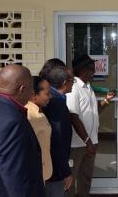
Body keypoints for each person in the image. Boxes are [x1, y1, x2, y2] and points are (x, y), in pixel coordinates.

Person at [0, 64, 45, 197]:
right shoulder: (13, 123)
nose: (32, 92)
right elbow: (15, 177)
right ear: (22, 90)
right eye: (31, 88)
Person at [66, 53, 116, 197]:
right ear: (82, 71)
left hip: (90, 141)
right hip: (77, 144)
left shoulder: (88, 87)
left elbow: (93, 111)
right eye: (92, 69)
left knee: (85, 179)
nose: (94, 72)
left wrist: (106, 100)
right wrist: (87, 141)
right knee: (71, 181)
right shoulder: (73, 89)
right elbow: (74, 117)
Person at [41, 66, 74, 197]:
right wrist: (65, 171)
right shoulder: (55, 102)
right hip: (54, 170)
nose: (73, 84)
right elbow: (57, 140)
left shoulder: (55, 98)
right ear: (65, 83)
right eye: (73, 80)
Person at [25, 76, 53, 182]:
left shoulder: (38, 112)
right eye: (47, 93)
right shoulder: (30, 115)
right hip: (34, 175)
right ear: (34, 95)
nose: (50, 96)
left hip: (41, 173)